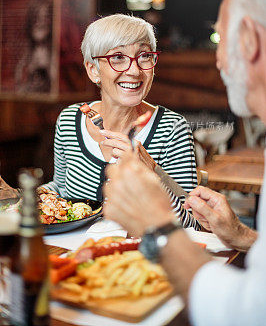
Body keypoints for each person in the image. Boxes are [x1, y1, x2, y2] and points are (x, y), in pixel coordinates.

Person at [103, 0, 266, 326]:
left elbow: (251, 314)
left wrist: (157, 227)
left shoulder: (170, 125)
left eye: (221, 40)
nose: (219, 62)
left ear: (249, 40)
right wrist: (241, 235)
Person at [1, 14, 199, 229]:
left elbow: (192, 225)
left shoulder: (171, 128)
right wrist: (17, 199)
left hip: (140, 257)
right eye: (118, 57)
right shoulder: (70, 119)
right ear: (93, 70)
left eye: (144, 56)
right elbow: (62, 190)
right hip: (74, 253)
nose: (134, 71)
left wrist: (151, 174)